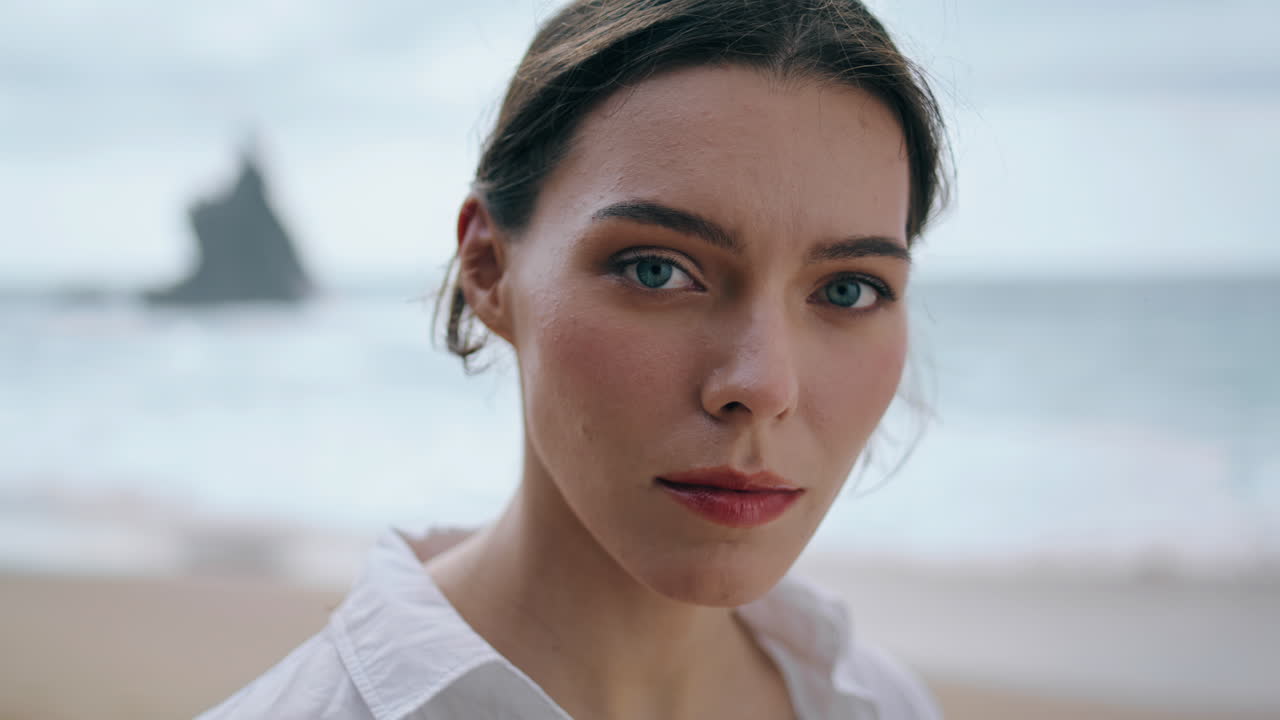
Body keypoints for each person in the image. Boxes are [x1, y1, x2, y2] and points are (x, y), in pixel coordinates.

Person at [199, 0, 948, 717]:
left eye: (849, 290)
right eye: (656, 269)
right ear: (488, 268)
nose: (762, 385)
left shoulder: (884, 705)